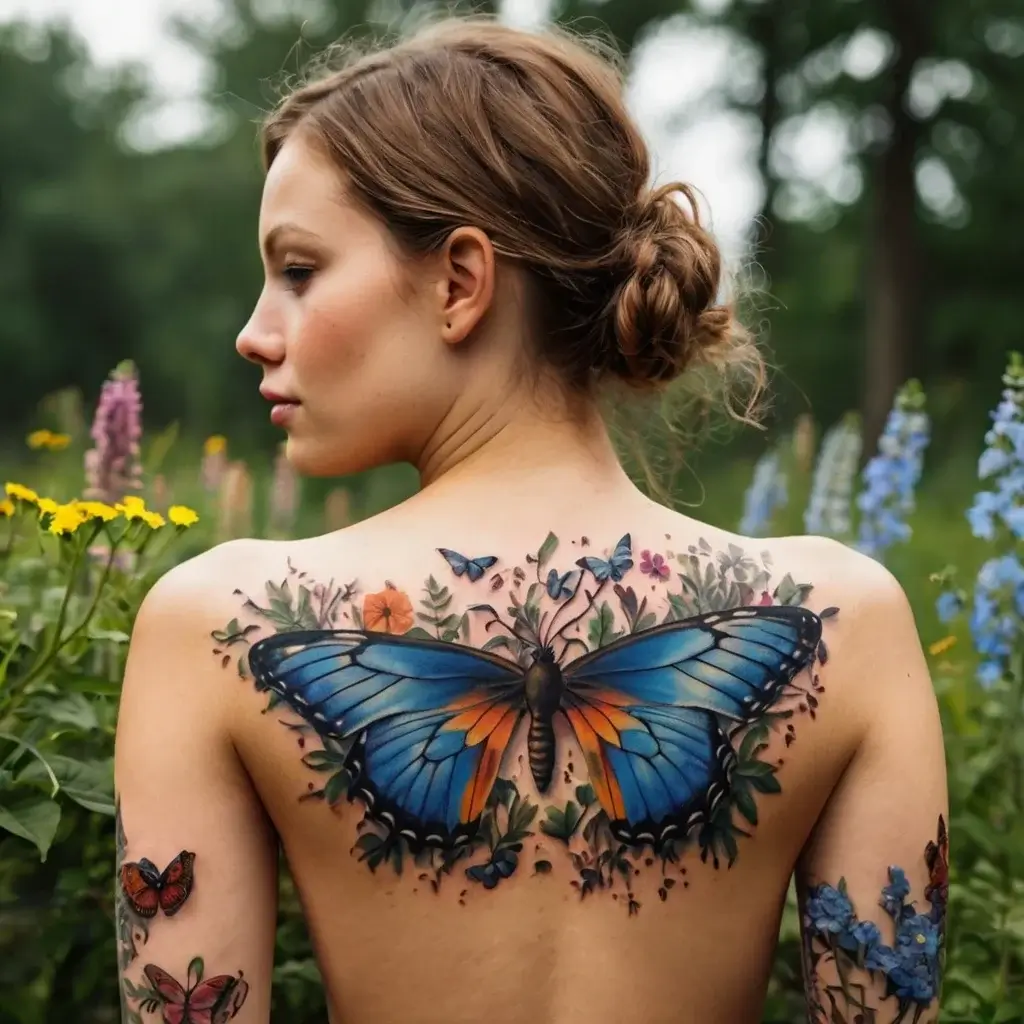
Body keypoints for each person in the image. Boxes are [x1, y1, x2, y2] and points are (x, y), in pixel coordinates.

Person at [113, 15, 947, 1024]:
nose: (254, 332)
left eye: (297, 270)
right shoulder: (842, 619)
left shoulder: (219, 626)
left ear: (460, 281)